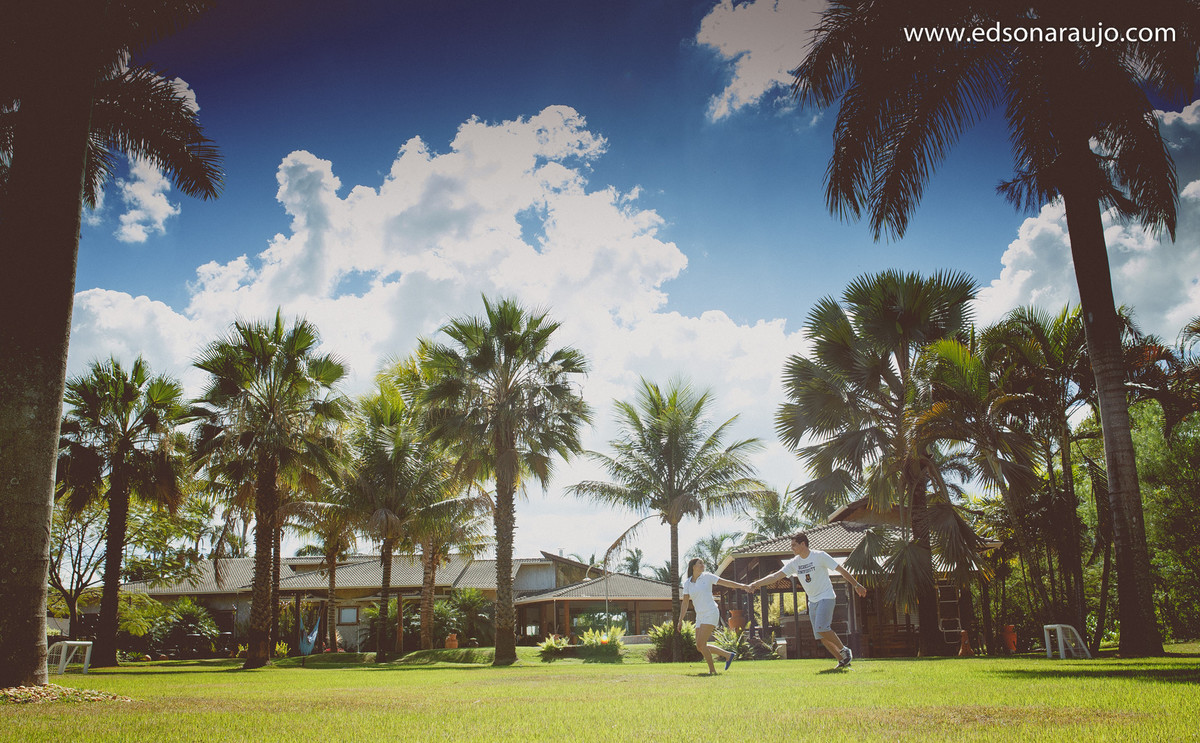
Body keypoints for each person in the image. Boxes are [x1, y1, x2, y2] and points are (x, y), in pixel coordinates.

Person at [745, 531, 867, 668]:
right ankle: (842, 661)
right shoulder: (794, 563)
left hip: (826, 596)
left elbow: (841, 570)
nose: (792, 548)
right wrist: (756, 584)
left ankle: (844, 649)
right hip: (813, 601)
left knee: (822, 627)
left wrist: (856, 585)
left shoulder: (820, 556)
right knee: (821, 636)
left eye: (794, 545)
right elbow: (775, 577)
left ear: (803, 544)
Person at [678, 557, 749, 675]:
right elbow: (685, 603)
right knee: (700, 646)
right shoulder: (687, 583)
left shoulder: (708, 576)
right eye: (700, 563)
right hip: (700, 616)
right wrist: (680, 620)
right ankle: (728, 655)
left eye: (703, 563)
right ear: (693, 567)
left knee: (701, 644)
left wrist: (742, 586)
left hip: (711, 612)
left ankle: (713, 671)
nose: (702, 565)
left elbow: (726, 582)